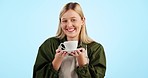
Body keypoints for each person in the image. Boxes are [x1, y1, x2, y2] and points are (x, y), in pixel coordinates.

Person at [33, 2, 106, 78]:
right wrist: (56, 62)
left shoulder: (96, 49)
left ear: (82, 21)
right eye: (64, 21)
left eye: (73, 20)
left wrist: (83, 65)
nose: (69, 25)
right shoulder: (49, 45)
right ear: (60, 23)